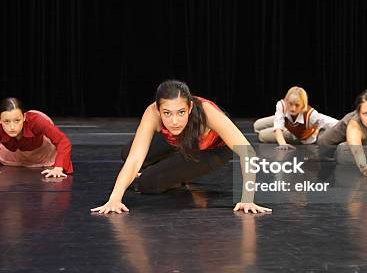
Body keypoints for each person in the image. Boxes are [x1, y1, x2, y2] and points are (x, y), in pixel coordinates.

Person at [91, 80, 272, 214]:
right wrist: (114, 198)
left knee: (147, 183)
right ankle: (173, 170)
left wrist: (247, 199)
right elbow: (135, 158)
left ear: (190, 107)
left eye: (181, 113)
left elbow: (247, 152)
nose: (174, 121)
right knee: (127, 152)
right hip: (177, 143)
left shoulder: (206, 112)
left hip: (210, 151)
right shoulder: (152, 112)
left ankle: (175, 174)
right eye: (167, 114)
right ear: (158, 110)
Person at [0, 97, 73, 179]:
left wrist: (58, 167)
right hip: (14, 153)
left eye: (17, 120)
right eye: (6, 121)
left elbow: (62, 141)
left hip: (42, 150)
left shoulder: (36, 121)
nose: (12, 127)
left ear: (24, 117)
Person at [253, 86, 338, 149]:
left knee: (262, 135)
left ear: (303, 105)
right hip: (286, 120)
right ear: (286, 101)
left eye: (297, 105)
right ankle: (282, 121)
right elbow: (278, 125)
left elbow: (334, 123)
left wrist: (283, 144)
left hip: (297, 134)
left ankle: (284, 126)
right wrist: (282, 143)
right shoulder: (282, 105)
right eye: (290, 104)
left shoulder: (311, 115)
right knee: (257, 125)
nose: (293, 108)